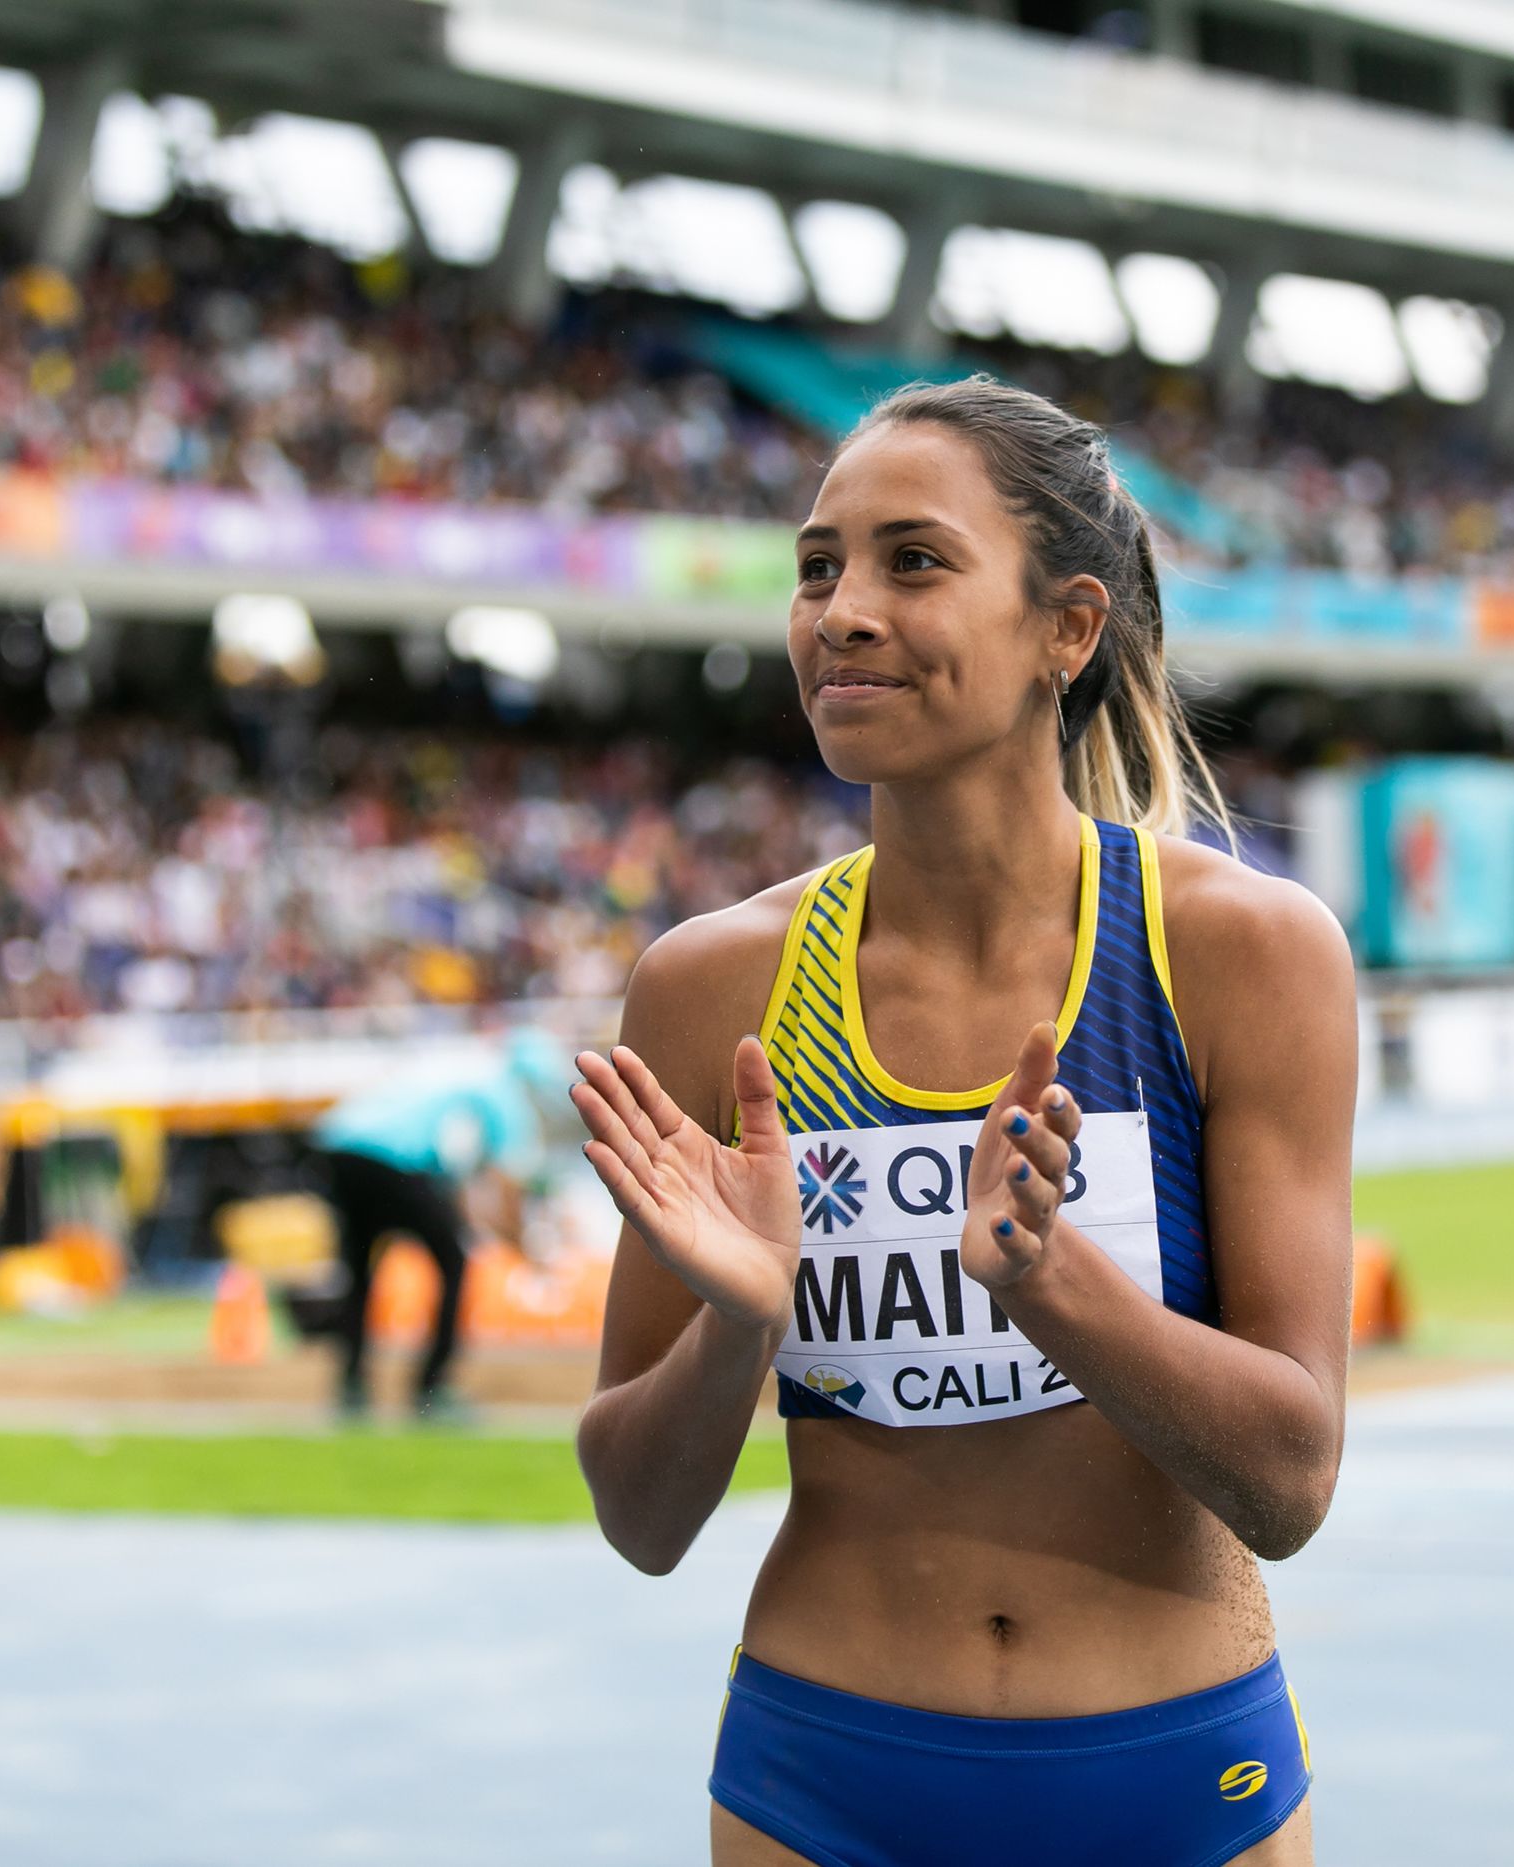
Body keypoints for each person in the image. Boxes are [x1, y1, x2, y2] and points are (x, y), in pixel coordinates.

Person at [570, 377, 1357, 1866]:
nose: (842, 611)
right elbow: (640, 1512)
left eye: (911, 561)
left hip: (1173, 1775)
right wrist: (735, 1326)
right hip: (827, 1776)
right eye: (818, 567)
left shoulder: (1242, 953)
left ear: (1069, 627)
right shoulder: (711, 984)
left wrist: (1055, 1285)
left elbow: (1291, 1480)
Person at [310, 1047, 544, 1420]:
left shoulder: (444, 1072)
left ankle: (352, 1385)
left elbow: (454, 1188)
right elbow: (508, 1184)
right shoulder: (503, 1088)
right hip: (391, 1158)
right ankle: (432, 1386)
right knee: (453, 1262)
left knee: (359, 1269)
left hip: (336, 1146)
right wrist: (525, 1248)